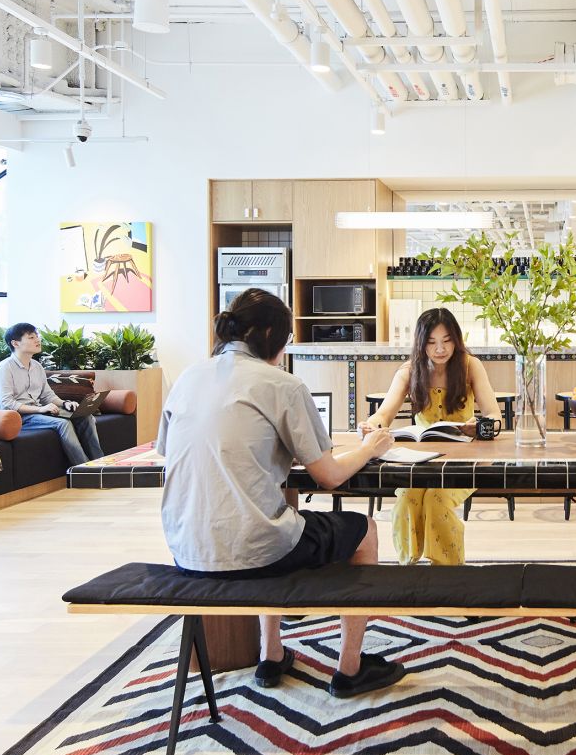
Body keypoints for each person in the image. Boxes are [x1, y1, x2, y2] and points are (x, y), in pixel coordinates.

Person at [156, 288, 407, 696]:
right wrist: (369, 448)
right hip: (254, 551)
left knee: (267, 513)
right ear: (272, 335)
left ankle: (271, 654)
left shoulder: (187, 378)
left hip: (186, 548)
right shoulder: (282, 384)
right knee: (364, 531)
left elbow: (168, 451)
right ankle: (351, 668)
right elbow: (329, 475)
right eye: (287, 340)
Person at [363, 308, 497, 564]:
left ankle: (448, 569)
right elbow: (384, 414)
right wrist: (371, 426)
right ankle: (409, 565)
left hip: (464, 460)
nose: (440, 349)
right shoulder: (409, 371)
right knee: (407, 498)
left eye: (446, 341)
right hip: (422, 461)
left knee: (437, 500)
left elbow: (493, 414)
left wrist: (478, 425)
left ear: (456, 340)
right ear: (420, 343)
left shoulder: (470, 366)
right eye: (432, 342)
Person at [0, 323, 104, 467]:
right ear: (15, 343)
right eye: (31, 337)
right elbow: (7, 404)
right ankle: (84, 469)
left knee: (85, 416)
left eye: (37, 336)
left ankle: (100, 464)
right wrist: (40, 409)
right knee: (63, 424)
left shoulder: (37, 366)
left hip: (36, 412)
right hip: (15, 417)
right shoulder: (4, 368)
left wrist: (65, 403)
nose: (37, 340)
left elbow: (47, 395)